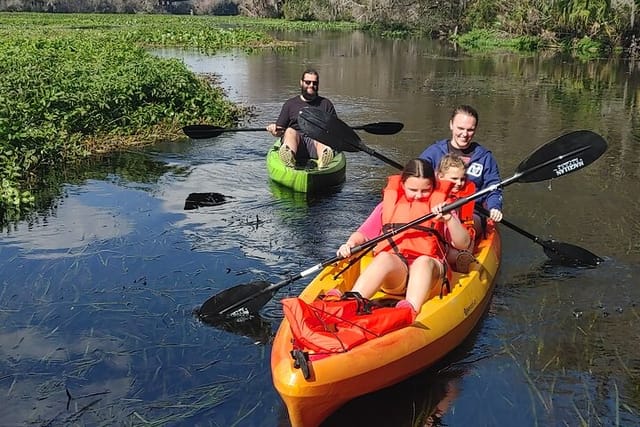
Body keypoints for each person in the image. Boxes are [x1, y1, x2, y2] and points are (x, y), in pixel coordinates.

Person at [335, 158, 471, 320]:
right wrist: (350, 244)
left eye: (425, 190)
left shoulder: (443, 207)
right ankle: (351, 303)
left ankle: (409, 311)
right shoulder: (387, 206)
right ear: (402, 185)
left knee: (423, 262)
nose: (418, 196)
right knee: (384, 257)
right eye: (413, 190)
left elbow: (463, 243)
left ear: (433, 186)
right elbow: (363, 234)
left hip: (431, 276)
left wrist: (449, 219)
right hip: (397, 276)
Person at [419, 105, 503, 228]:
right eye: (460, 128)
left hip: (471, 214)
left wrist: (494, 207)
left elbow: (494, 188)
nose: (464, 134)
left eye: (470, 130)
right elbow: (415, 178)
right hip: (436, 209)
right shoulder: (434, 152)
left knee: (461, 227)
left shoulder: (485, 157)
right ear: (451, 125)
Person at [266, 69, 336, 169]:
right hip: (296, 145)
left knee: (321, 133)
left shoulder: (326, 104)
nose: (311, 85)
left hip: (316, 145)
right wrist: (274, 130)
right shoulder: (290, 104)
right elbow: (279, 131)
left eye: (314, 83)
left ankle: (323, 160)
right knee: (290, 131)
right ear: (301, 83)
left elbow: (335, 130)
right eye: (308, 82)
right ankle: (289, 157)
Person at [436, 153, 477, 273]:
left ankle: (464, 256)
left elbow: (467, 222)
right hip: (440, 240)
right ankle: (461, 256)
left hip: (456, 236)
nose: (459, 183)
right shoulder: (430, 192)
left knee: (471, 233)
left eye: (462, 179)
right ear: (440, 176)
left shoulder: (464, 192)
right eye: (454, 179)